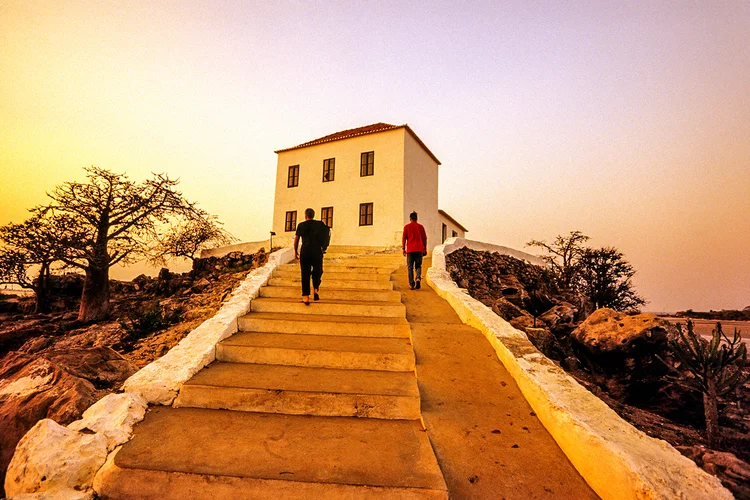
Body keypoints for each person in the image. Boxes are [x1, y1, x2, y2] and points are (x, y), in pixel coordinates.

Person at [294, 208, 331, 305]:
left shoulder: (301, 225)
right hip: (317, 251)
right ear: (313, 215)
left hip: (305, 251)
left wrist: (295, 251)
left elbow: (296, 239)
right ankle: (315, 290)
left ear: (305, 215)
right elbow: (326, 235)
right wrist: (324, 247)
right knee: (317, 271)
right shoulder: (320, 224)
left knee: (305, 274)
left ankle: (306, 296)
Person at [402, 211, 427, 290]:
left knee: (410, 267)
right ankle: (418, 278)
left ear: (410, 219)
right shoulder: (421, 227)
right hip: (419, 249)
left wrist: (403, 249)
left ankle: (412, 284)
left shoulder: (406, 227)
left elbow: (404, 238)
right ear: (417, 219)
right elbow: (424, 239)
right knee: (418, 266)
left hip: (410, 250)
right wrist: (425, 249)